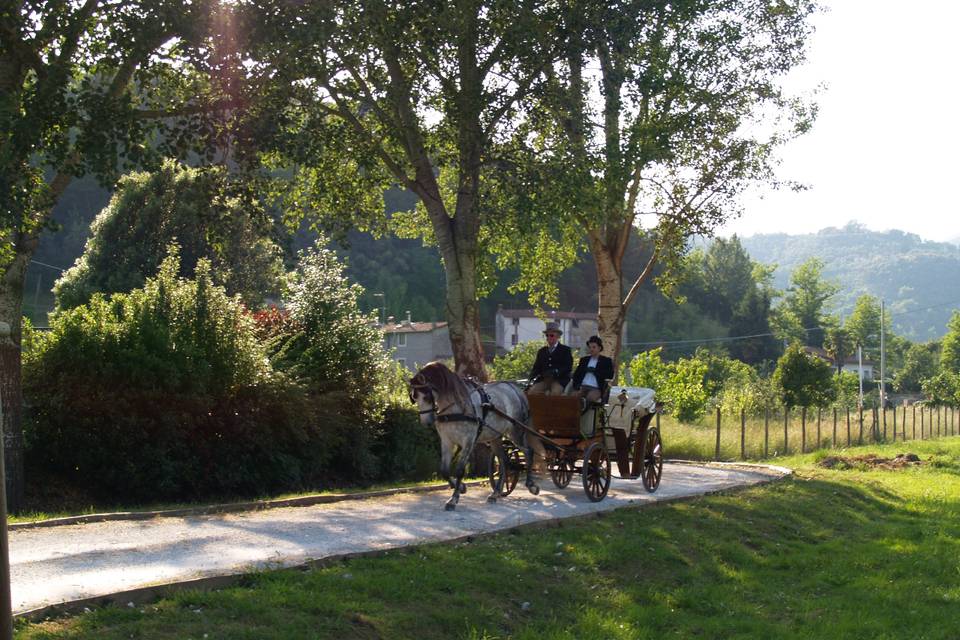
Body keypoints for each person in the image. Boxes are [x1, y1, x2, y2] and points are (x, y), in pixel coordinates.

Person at [527, 322, 573, 395]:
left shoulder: (565, 350)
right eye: (547, 335)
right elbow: (536, 367)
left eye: (551, 335)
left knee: (554, 393)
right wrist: (531, 378)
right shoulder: (541, 351)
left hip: (559, 380)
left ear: (558, 336)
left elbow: (568, 367)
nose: (549, 338)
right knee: (531, 392)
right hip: (544, 380)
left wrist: (556, 371)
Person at [571, 335, 615, 404]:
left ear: (599, 348)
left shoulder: (606, 361)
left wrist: (595, 371)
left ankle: (582, 410)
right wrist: (576, 386)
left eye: (594, 347)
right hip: (583, 387)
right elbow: (576, 374)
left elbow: (610, 375)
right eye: (590, 347)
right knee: (573, 397)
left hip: (596, 388)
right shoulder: (584, 360)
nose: (591, 349)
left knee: (590, 398)